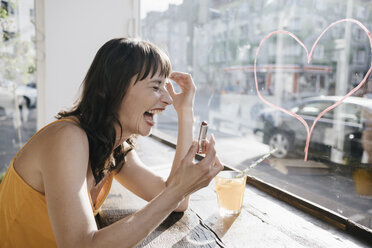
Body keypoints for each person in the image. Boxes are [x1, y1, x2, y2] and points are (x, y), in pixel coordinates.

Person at [0, 38, 224, 247]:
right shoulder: (66, 138)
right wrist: (178, 190)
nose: (167, 99)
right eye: (156, 87)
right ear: (114, 89)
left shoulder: (115, 150)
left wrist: (185, 112)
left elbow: (177, 201)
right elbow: (80, 245)